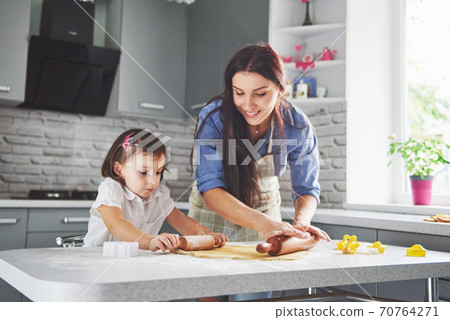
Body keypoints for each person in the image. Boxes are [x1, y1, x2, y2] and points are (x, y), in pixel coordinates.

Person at [189, 43, 330, 245]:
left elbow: (306, 188)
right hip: (212, 219)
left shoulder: (296, 124)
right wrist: (260, 222)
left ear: (280, 89)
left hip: (267, 216)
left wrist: (301, 223)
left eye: (260, 94)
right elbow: (211, 189)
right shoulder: (214, 117)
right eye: (239, 93)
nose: (247, 104)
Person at [84, 128, 228, 251]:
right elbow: (115, 224)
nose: (153, 181)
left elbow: (180, 219)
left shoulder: (160, 195)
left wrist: (204, 233)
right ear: (119, 169)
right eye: (143, 172)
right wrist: (150, 241)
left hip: (133, 263)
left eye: (158, 172)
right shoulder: (111, 189)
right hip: (98, 261)